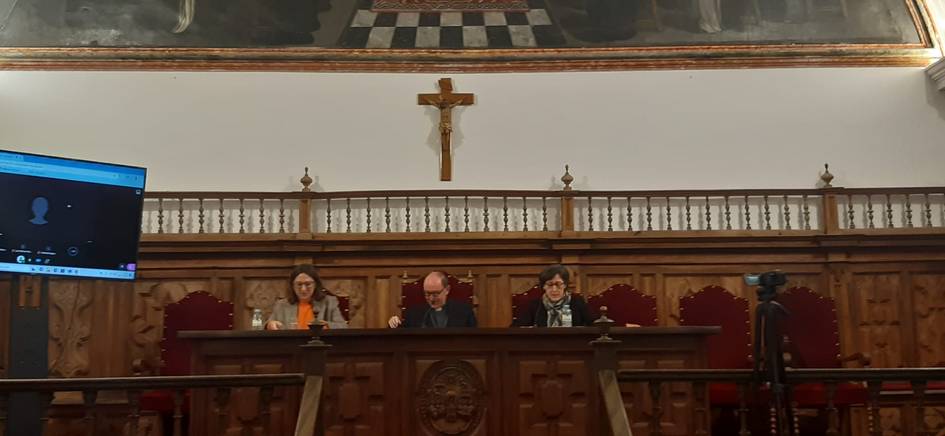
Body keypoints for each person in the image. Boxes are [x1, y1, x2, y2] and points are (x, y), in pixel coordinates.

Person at [266, 264, 348, 330]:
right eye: (299, 284)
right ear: (292, 285)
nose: (303, 289)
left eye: (308, 284)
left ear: (315, 284)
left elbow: (342, 326)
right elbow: (268, 324)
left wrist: (326, 326)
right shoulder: (281, 305)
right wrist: (270, 324)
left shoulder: (330, 302)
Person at [388, 271, 477, 328]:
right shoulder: (414, 313)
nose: (431, 299)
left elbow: (474, 340)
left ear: (447, 290)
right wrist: (394, 324)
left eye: (435, 294)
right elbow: (402, 339)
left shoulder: (464, 311)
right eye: (427, 294)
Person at [513, 264, 593, 327]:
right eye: (549, 284)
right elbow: (516, 329)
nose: (554, 289)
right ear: (543, 286)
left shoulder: (577, 302)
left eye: (558, 284)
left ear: (565, 285)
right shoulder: (535, 306)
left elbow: (593, 326)